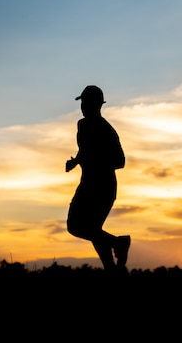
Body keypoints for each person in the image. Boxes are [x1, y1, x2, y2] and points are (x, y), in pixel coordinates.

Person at [65, 85, 130, 275]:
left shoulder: (106, 129)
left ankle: (119, 243)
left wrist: (94, 160)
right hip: (87, 185)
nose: (83, 106)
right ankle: (112, 270)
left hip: (102, 187)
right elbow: (84, 150)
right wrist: (76, 161)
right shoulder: (82, 126)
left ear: (97, 105)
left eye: (87, 102)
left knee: (77, 227)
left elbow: (120, 161)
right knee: (92, 230)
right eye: (82, 102)